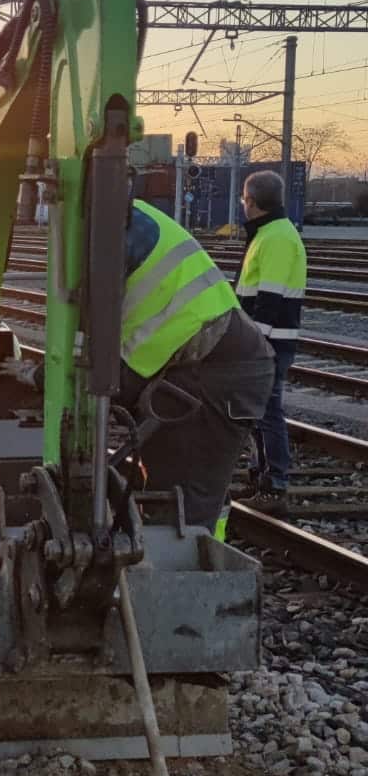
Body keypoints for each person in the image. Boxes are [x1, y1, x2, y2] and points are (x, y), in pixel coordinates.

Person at [118, 196, 274, 535]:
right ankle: (185, 563)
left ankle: (196, 573)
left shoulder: (113, 231)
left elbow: (122, 377)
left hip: (217, 374)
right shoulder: (128, 218)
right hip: (207, 367)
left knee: (185, 502)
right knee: (172, 491)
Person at [236, 168, 308, 494]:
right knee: (259, 411)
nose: (242, 204)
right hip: (267, 339)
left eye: (243, 199)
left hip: (271, 341)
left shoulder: (276, 236)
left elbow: (270, 297)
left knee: (268, 410)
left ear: (251, 202)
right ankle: (263, 473)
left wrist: (255, 341)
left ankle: (276, 479)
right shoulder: (269, 233)